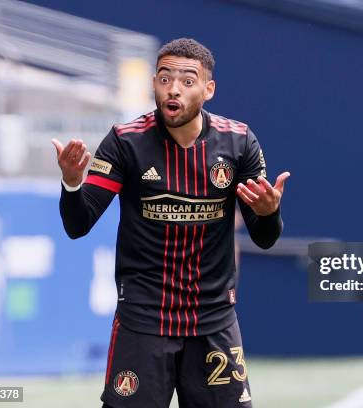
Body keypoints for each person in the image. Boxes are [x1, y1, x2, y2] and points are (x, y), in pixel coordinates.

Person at [52, 38, 289, 408]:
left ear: (208, 89)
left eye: (187, 80)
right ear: (154, 84)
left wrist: (268, 212)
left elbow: (264, 239)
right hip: (143, 321)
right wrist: (71, 183)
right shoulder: (124, 142)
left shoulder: (240, 142)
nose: (173, 89)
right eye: (164, 79)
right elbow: (77, 224)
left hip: (213, 321)